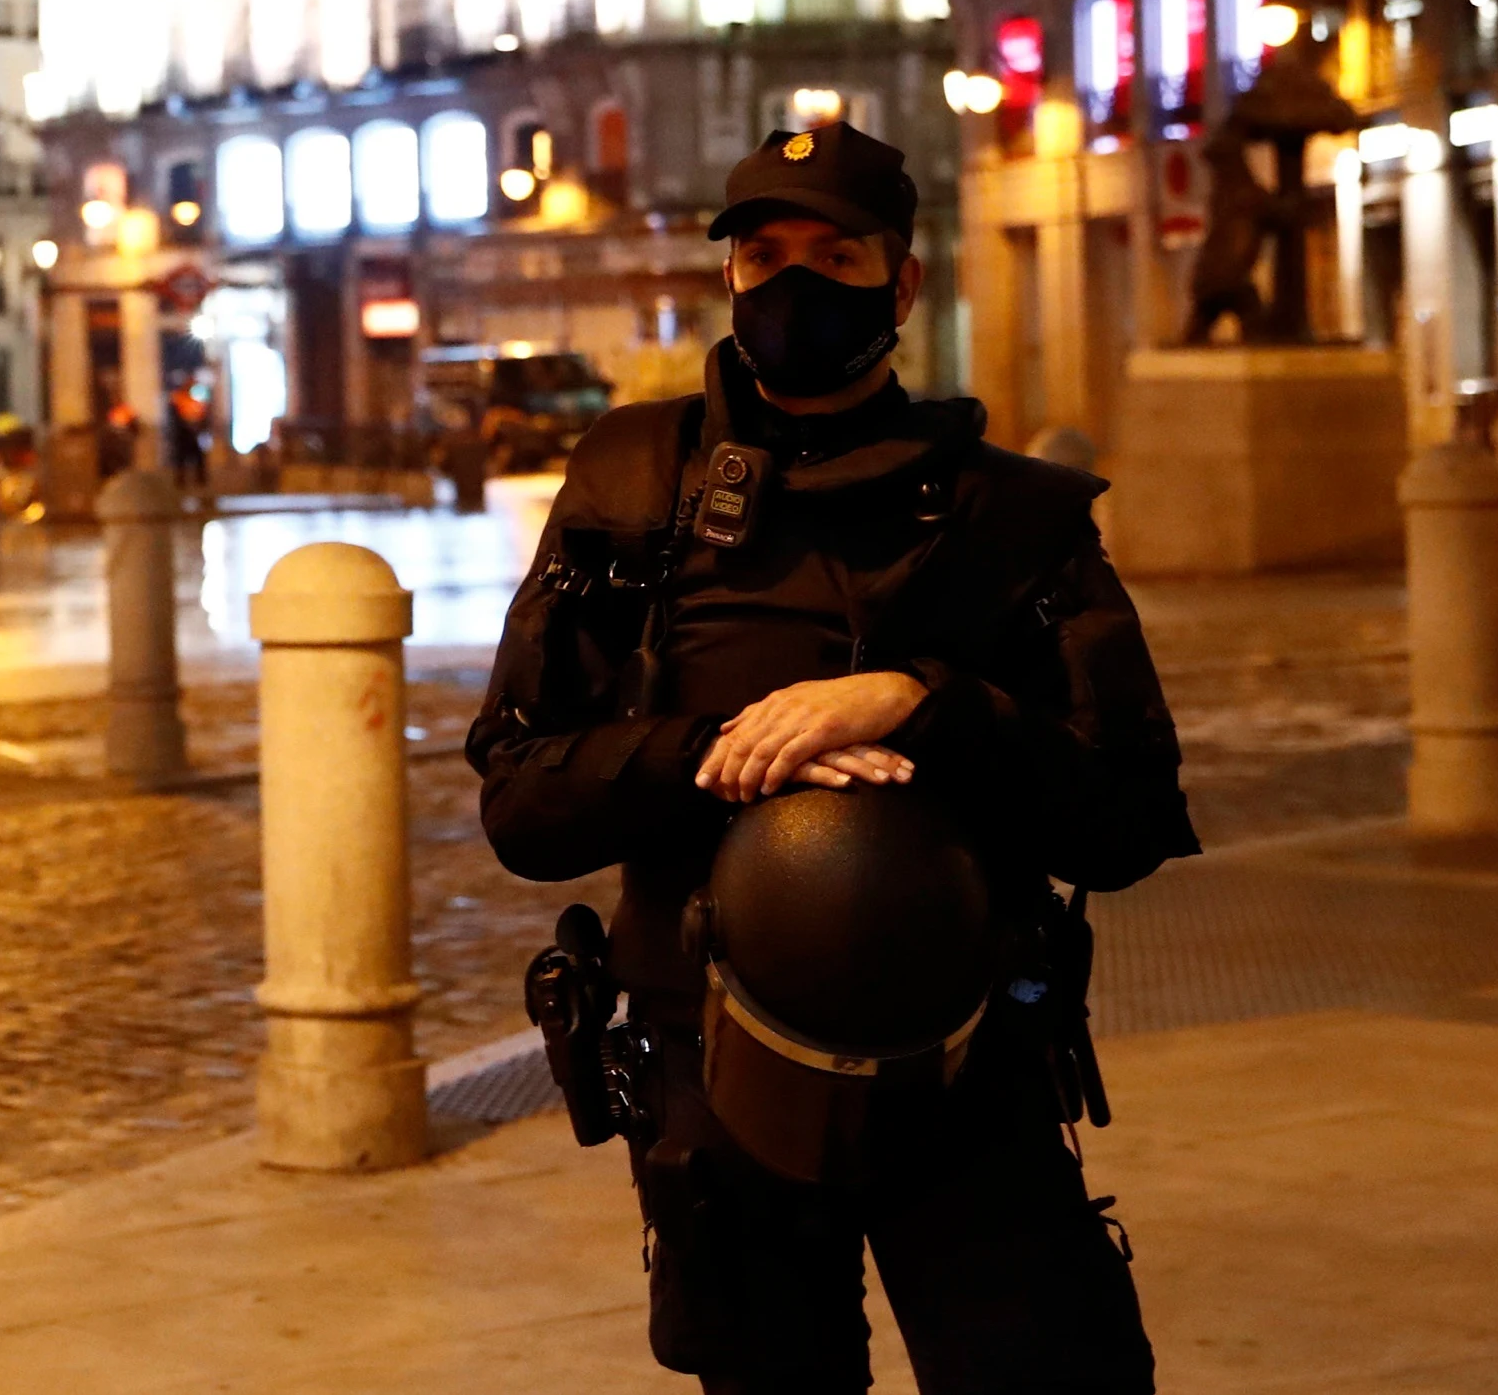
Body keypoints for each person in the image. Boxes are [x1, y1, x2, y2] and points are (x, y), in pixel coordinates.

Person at [465, 121, 1198, 1394]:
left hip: (967, 1065)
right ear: (732, 276)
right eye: (763, 254)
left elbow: (1126, 817)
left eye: (836, 253)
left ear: (902, 282)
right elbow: (523, 797)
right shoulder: (633, 483)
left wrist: (919, 702)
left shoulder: (1012, 517)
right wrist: (718, 750)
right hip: (711, 1066)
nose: (794, 283)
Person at [164, 379, 211, 492]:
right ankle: (181, 479)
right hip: (183, 433)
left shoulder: (196, 399)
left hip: (195, 433)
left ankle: (200, 479)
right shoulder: (178, 398)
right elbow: (174, 416)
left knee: (198, 457)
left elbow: (203, 414)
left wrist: (200, 426)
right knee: (181, 458)